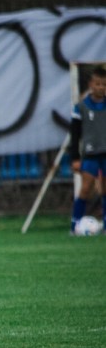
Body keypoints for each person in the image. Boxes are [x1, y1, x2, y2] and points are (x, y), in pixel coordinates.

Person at [69, 66, 106, 234]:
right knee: (85, 188)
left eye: (104, 85)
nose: (100, 88)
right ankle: (75, 224)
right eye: (97, 84)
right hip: (90, 154)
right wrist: (74, 158)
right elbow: (75, 134)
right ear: (91, 84)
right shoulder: (81, 107)